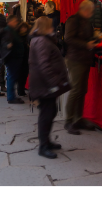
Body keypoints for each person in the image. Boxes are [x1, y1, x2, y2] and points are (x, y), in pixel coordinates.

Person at [28, 16, 70, 158]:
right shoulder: (41, 41)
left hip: (45, 84)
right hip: (45, 85)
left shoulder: (41, 39)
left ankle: (46, 141)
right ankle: (43, 146)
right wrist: (53, 83)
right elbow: (44, 64)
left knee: (50, 112)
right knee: (46, 114)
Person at [63, 0, 97, 135]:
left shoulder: (86, 21)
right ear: (85, 10)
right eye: (91, 11)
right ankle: (69, 121)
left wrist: (97, 38)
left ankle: (78, 118)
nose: (92, 13)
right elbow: (68, 39)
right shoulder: (73, 20)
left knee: (82, 90)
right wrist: (86, 44)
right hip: (75, 59)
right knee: (76, 89)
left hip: (84, 59)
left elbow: (87, 37)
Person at [0, 14, 25, 104]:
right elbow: (5, 42)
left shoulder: (12, 30)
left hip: (15, 57)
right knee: (11, 77)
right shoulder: (8, 30)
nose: (16, 23)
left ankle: (12, 96)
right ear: (10, 21)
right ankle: (11, 97)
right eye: (15, 21)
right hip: (12, 57)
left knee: (12, 77)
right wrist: (8, 45)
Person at [16, 21, 31, 98]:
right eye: (22, 27)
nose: (23, 29)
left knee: (24, 74)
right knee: (20, 75)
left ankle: (21, 90)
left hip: (26, 58)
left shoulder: (27, 37)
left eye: (25, 28)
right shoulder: (18, 37)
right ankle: (20, 90)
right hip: (20, 58)